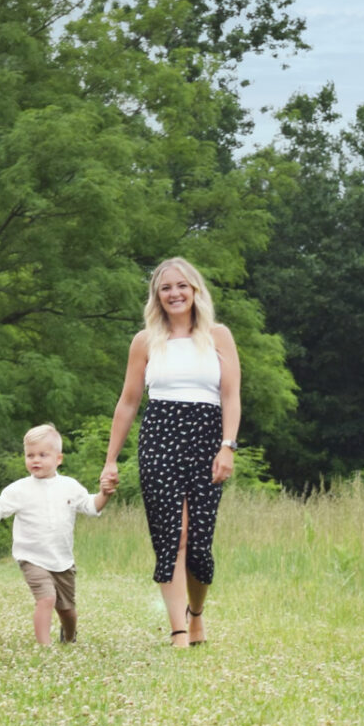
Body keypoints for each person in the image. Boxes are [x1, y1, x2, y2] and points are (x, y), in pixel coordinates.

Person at [100, 258, 243, 648]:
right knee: (171, 535)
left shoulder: (218, 336)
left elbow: (231, 396)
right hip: (159, 437)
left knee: (198, 542)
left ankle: (196, 615)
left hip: (207, 438)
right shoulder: (145, 341)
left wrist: (227, 446)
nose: (174, 293)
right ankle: (178, 630)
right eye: (166, 288)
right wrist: (111, 459)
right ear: (156, 297)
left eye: (182, 286)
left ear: (195, 290)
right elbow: (128, 403)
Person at [0, 423, 116, 644]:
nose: (35, 460)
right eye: (30, 455)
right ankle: (44, 647)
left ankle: (69, 637)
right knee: (46, 598)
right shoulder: (20, 489)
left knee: (67, 609)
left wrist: (105, 494)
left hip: (62, 559)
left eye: (43, 455)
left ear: (58, 459)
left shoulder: (69, 486)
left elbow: (92, 506)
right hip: (31, 557)